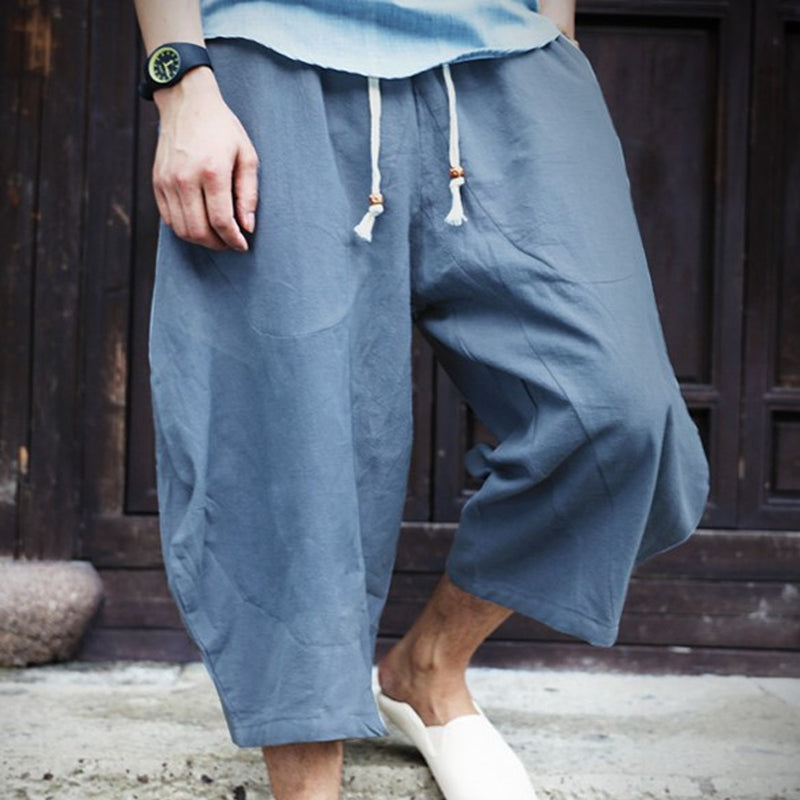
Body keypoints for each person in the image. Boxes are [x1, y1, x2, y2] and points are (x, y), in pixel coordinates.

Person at [133, 1, 710, 798]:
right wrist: (181, 77)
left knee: (620, 410)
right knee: (288, 440)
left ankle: (429, 665)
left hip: (508, 54)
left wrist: (559, 35)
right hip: (272, 52)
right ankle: (307, 786)